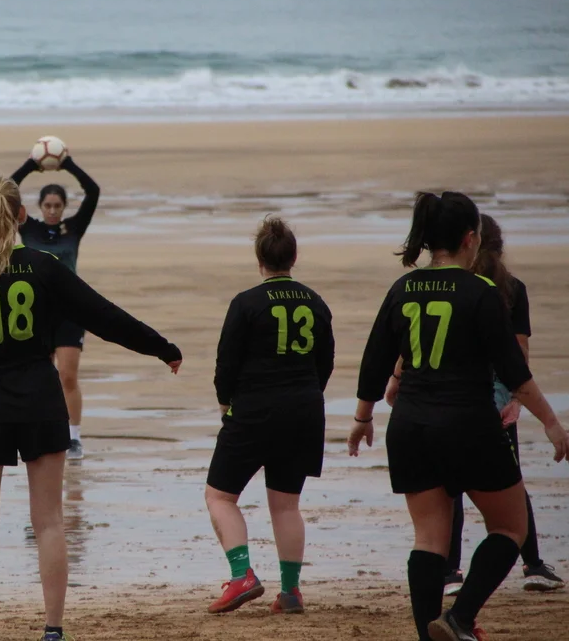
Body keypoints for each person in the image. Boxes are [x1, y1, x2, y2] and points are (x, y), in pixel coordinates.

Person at [0, 177, 181, 641]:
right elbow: (104, 315)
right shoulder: (43, 266)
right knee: (50, 521)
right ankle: (53, 630)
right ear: (21, 215)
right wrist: (161, 347)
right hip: (41, 394)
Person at [349, 192, 568, 641]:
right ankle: (459, 617)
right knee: (510, 527)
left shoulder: (403, 288)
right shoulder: (482, 292)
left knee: (430, 538)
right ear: (470, 239)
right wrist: (550, 422)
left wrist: (363, 417)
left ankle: (430, 635)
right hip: (468, 424)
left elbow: (374, 361)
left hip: (410, 427)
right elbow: (515, 371)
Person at [205, 217, 334, 615]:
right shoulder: (316, 302)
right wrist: (306, 396)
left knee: (220, 496)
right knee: (286, 505)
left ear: (259, 258)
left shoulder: (246, 303)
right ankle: (291, 591)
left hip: (256, 408)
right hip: (304, 409)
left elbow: (226, 362)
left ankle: (241, 575)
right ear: (293, 257)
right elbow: (325, 362)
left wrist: (225, 402)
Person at [442, 214, 563, 594]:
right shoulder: (513, 288)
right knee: (511, 482)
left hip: (452, 396)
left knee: (451, 486)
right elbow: (519, 353)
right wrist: (515, 399)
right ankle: (533, 565)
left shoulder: (453, 287)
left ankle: (449, 572)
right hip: (497, 398)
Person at [11, 151, 99, 460]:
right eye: (47, 205)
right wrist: (31, 165)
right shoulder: (28, 228)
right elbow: (7, 189)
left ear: (63, 207)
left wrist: (68, 164)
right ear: (39, 207)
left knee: (67, 376)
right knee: (37, 376)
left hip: (69, 311)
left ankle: (73, 437)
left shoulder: (73, 229)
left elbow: (93, 191)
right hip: (34, 311)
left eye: (57, 206)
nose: (52, 210)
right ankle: (39, 431)